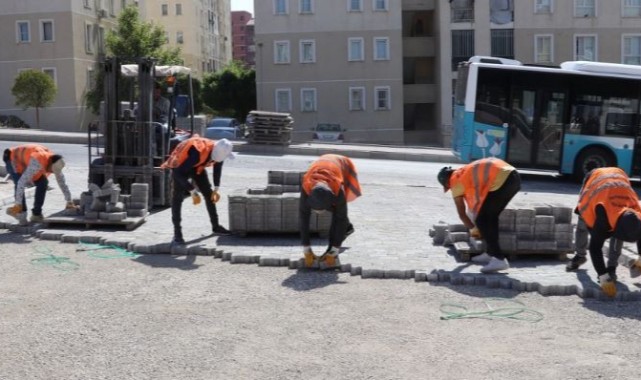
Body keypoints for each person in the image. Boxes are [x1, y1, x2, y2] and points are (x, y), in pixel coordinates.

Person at [438, 157, 521, 273]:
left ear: (447, 182)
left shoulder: (455, 181)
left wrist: (473, 230)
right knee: (490, 217)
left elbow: (462, 214)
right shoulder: (463, 172)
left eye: (449, 187)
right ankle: (490, 252)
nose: (451, 189)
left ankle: (498, 259)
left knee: (482, 220)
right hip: (514, 177)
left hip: (502, 180)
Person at [569, 167, 641, 297]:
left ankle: (612, 268)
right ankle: (580, 255)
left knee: (619, 234)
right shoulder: (602, 218)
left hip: (619, 177)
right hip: (594, 180)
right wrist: (602, 276)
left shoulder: (637, 213)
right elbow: (595, 248)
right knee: (582, 224)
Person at [161, 136, 235, 245]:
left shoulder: (220, 152)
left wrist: (216, 187)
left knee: (208, 194)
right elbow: (178, 174)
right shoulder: (197, 152)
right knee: (177, 198)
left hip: (197, 167)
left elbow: (218, 167)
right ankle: (177, 234)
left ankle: (216, 226)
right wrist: (192, 191)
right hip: (181, 166)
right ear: (218, 154)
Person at [300, 154, 361, 269]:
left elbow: (341, 217)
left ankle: (335, 242)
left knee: (338, 213)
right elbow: (303, 217)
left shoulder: (338, 191)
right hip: (324, 162)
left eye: (321, 209)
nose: (319, 212)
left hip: (342, 164)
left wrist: (334, 250)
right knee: (336, 211)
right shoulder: (306, 186)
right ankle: (347, 228)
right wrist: (306, 249)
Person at [3, 144, 76, 224]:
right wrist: (18, 205)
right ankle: (20, 213)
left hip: (26, 161)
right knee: (18, 182)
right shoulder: (37, 162)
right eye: (51, 171)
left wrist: (69, 201)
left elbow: (61, 182)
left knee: (43, 183)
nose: (51, 172)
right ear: (49, 164)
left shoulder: (55, 162)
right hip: (12, 157)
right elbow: (21, 183)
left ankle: (36, 215)